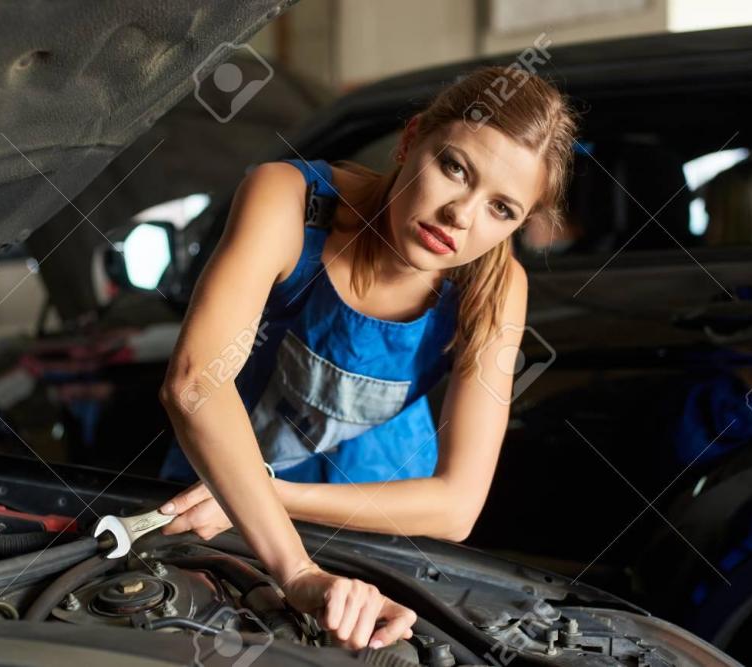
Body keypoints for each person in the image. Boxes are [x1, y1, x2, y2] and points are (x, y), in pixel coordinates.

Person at [156, 65, 577, 650]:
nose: (462, 216)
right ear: (410, 142)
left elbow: (456, 507)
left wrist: (267, 491)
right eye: (455, 168)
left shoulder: (498, 285)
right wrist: (296, 569)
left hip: (370, 528)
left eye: (501, 209)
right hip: (212, 516)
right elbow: (195, 384)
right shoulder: (288, 198)